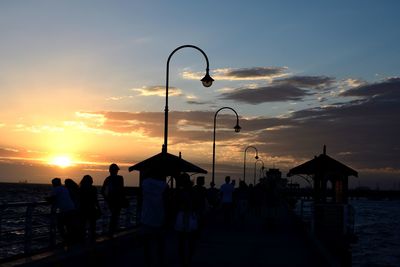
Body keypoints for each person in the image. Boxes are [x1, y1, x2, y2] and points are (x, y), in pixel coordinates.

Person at [140, 168, 168, 267]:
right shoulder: (164, 185)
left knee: (147, 245)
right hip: (160, 217)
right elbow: (167, 202)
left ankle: (148, 263)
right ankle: (160, 262)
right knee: (160, 244)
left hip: (146, 217)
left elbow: (141, 197)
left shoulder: (145, 183)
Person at [175, 173, 197, 267]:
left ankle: (183, 260)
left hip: (182, 215)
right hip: (191, 216)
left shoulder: (180, 192)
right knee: (190, 240)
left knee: (181, 240)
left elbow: (176, 205)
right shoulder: (193, 191)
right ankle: (188, 259)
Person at [46, 178, 77, 246]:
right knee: (69, 226)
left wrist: (46, 198)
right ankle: (70, 241)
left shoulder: (56, 189)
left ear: (54, 184)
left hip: (65, 210)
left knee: (60, 226)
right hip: (72, 208)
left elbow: (52, 199)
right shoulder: (64, 188)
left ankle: (66, 240)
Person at [101, 163, 126, 235]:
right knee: (115, 216)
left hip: (112, 200)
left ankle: (111, 231)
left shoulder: (108, 179)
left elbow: (102, 191)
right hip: (116, 200)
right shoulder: (120, 178)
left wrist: (107, 199)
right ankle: (112, 231)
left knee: (114, 216)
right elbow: (122, 190)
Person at [79, 175, 101, 241]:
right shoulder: (93, 188)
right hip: (91, 209)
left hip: (83, 209)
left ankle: (83, 239)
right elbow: (95, 200)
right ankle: (92, 239)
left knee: (83, 225)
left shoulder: (81, 189)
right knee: (92, 226)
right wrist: (99, 208)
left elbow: (79, 200)